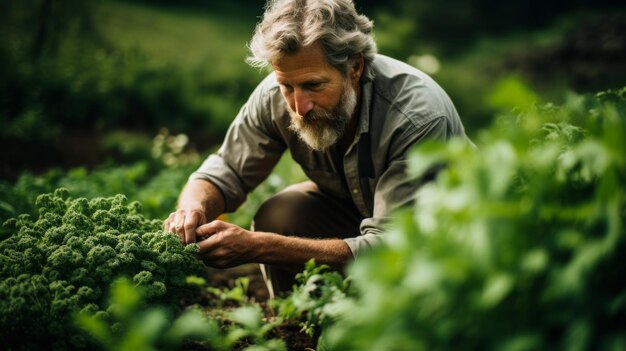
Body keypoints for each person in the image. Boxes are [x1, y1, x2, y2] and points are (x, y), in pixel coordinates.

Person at [164, 0, 470, 298]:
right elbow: (226, 170)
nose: (299, 106)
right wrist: (193, 210)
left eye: (313, 86)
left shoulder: (415, 116)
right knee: (281, 214)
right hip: (361, 215)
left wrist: (259, 246)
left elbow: (394, 245)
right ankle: (303, 327)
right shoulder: (275, 95)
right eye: (287, 86)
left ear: (355, 68)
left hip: (446, 239)